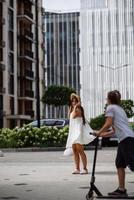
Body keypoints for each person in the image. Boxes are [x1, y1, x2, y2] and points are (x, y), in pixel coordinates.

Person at [94, 90, 134, 197]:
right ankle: (121, 190)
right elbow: (114, 131)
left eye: (107, 98)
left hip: (126, 139)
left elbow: (108, 123)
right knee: (120, 164)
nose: (106, 100)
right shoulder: (120, 109)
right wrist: (101, 135)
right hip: (126, 138)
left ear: (109, 99)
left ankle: (121, 189)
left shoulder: (110, 107)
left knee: (132, 164)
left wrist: (99, 132)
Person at [65, 93, 95, 175]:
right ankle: (77, 168)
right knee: (74, 150)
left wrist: (76, 106)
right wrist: (72, 107)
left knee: (80, 150)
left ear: (78, 101)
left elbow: (74, 116)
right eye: (72, 101)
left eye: (75, 101)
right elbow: (70, 118)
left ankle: (85, 168)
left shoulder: (78, 109)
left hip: (78, 132)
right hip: (73, 131)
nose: (74, 102)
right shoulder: (72, 109)